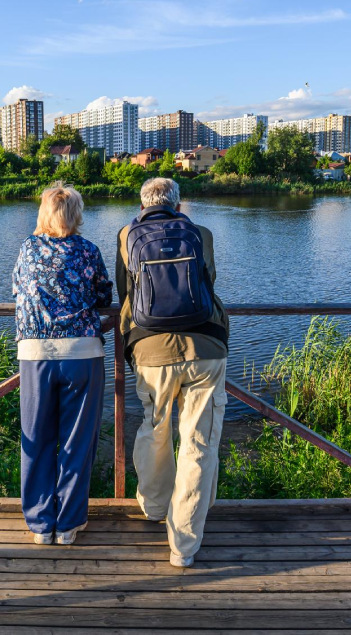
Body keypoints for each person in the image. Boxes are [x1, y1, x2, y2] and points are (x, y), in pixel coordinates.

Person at [115, 177, 229, 567]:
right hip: (205, 348)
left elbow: (125, 295)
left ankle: (154, 507)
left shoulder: (126, 234)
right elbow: (208, 282)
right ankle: (183, 547)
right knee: (198, 444)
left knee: (154, 427)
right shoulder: (201, 233)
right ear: (178, 205)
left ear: (142, 203)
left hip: (150, 351)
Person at [12, 182, 113, 546]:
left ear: (43, 214)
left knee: (37, 439)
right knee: (77, 440)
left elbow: (17, 290)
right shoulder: (88, 250)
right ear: (76, 214)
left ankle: (41, 524)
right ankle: (68, 524)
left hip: (36, 354)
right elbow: (104, 294)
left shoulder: (27, 249)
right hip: (82, 353)